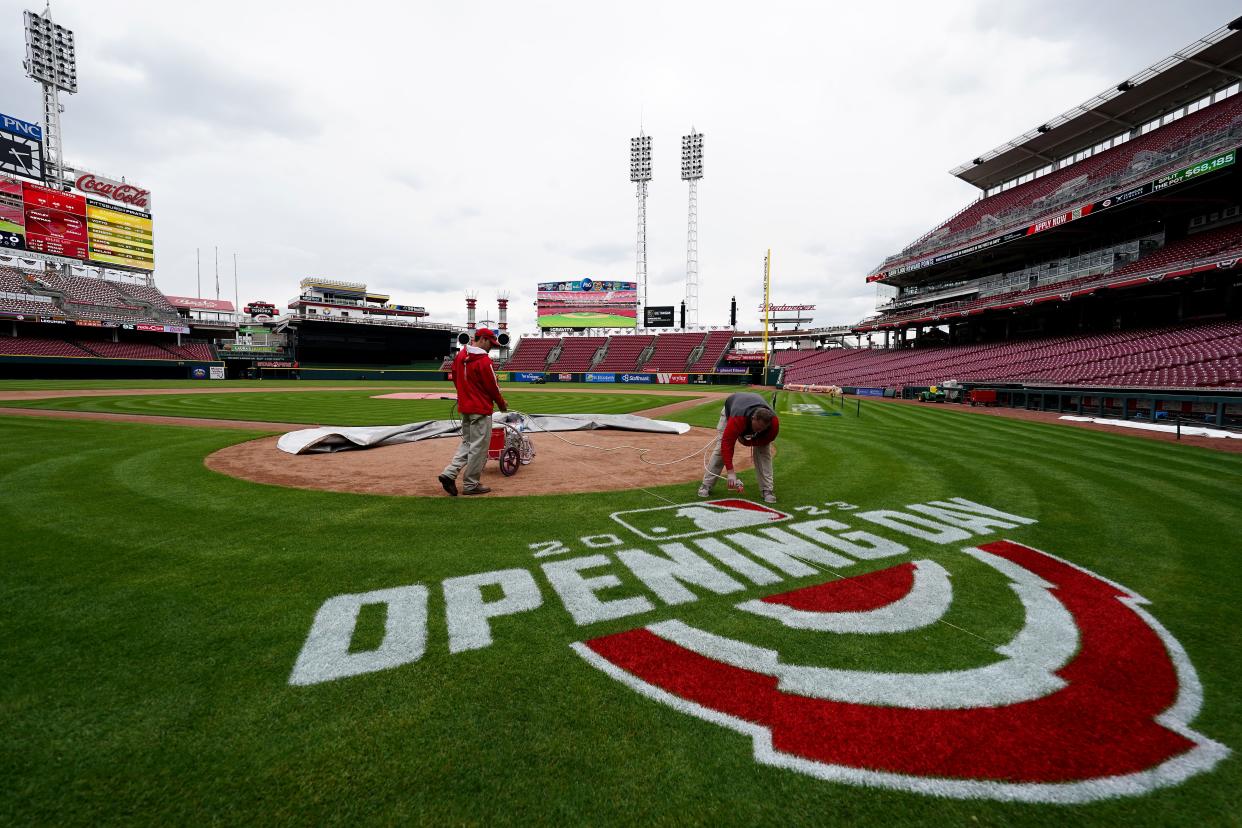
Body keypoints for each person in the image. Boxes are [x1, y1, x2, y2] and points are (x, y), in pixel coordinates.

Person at [438, 328, 508, 496]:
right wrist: (501, 404)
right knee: (479, 448)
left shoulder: (460, 356)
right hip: (481, 409)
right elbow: (493, 387)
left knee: (468, 443)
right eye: (491, 343)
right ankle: (470, 484)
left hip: (465, 407)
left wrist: (465, 396)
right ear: (483, 339)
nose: (491, 347)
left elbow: (455, 378)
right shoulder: (484, 361)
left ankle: (449, 473)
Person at [698, 391, 780, 504]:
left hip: (747, 407)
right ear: (753, 418)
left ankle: (767, 490)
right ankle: (706, 485)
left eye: (762, 429)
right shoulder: (738, 419)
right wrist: (730, 472)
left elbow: (765, 440)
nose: (759, 431)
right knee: (720, 451)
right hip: (731, 411)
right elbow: (727, 445)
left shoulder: (774, 424)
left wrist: (747, 442)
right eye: (757, 428)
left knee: (764, 453)